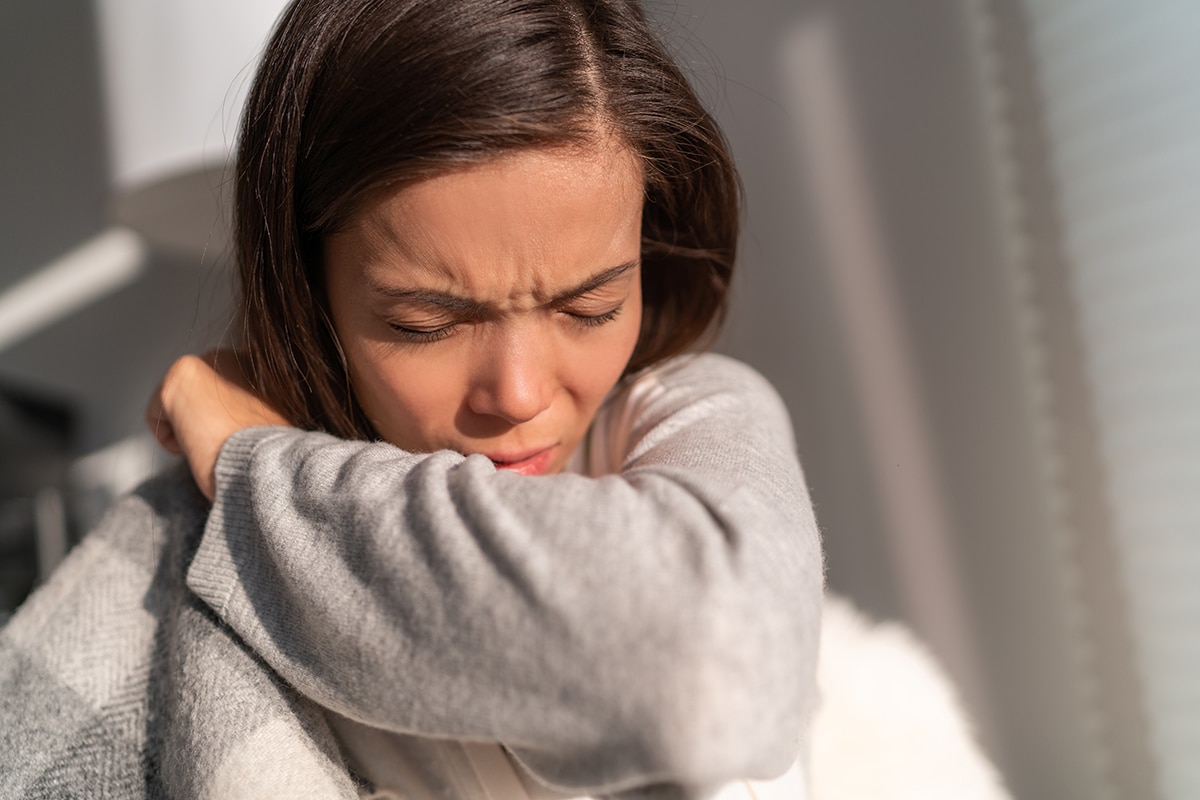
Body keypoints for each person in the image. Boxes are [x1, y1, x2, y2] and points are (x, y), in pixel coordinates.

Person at [0, 1, 821, 798]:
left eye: (590, 307)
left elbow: (715, 668)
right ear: (310, 292)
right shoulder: (178, 545)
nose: (519, 394)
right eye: (428, 324)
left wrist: (258, 474)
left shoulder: (679, 423)